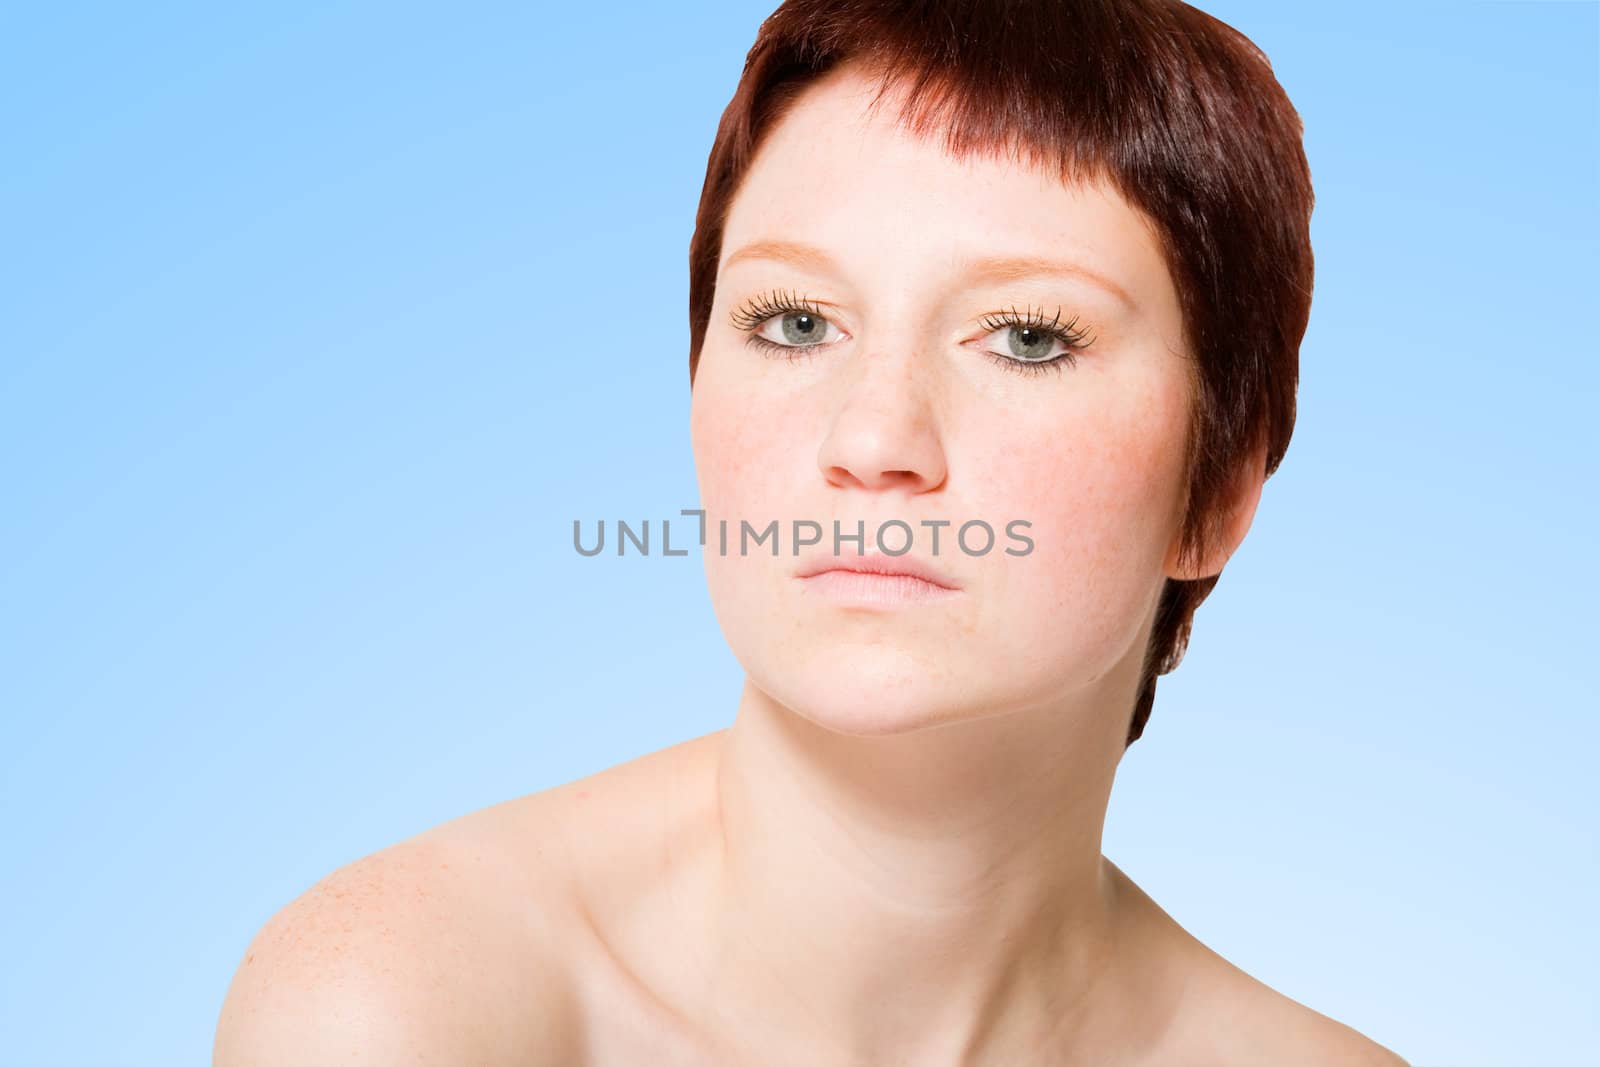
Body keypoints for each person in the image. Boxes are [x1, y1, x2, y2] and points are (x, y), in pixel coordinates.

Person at [215, 0, 1412, 1062]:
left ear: (1217, 493)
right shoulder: (404, 1008)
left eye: (1028, 336)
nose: (873, 435)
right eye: (793, 321)